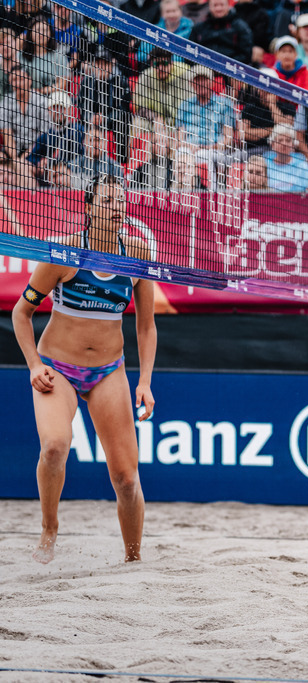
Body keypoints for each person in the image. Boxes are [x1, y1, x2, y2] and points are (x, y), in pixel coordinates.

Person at [12, 174, 156, 565]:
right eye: (107, 200)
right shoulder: (66, 252)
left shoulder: (136, 254)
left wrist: (144, 381)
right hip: (57, 366)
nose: (116, 205)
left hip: (109, 370)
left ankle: (133, 560)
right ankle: (49, 529)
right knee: (56, 446)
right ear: (90, 208)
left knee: (127, 479)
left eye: (120, 199)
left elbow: (145, 326)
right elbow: (21, 312)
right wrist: (33, 365)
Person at [77, 46, 132, 165]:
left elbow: (123, 109)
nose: (101, 67)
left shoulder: (120, 82)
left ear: (111, 65)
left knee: (122, 125)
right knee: (75, 129)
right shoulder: (87, 82)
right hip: (90, 124)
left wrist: (105, 119)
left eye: (104, 64)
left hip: (112, 124)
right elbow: (81, 106)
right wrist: (90, 118)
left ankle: (120, 164)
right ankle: (78, 164)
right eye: (98, 63)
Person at [0, 65, 48, 161]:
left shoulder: (41, 101)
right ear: (10, 82)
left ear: (29, 80)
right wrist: (16, 160)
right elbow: (7, 136)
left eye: (21, 79)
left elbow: (43, 135)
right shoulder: (5, 102)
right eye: (14, 80)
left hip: (36, 152)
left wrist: (26, 157)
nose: (18, 83)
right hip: (13, 153)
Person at [191, 0, 254, 66]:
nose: (218, 8)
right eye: (215, 5)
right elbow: (191, 51)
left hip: (232, 69)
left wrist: (225, 64)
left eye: (222, 5)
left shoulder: (240, 26)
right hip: (204, 67)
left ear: (228, 6)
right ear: (209, 7)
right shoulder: (199, 27)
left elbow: (246, 55)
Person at [19, 17, 69, 96]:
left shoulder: (59, 56)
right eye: (38, 30)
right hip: (27, 98)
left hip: (52, 98)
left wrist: (40, 91)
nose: (41, 34)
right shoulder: (21, 55)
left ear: (50, 34)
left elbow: (62, 85)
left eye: (45, 30)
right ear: (30, 32)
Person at [137, 0, 195, 67]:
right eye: (168, 11)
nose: (171, 15)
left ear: (180, 11)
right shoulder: (154, 30)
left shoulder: (190, 28)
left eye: (174, 11)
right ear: (162, 14)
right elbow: (141, 55)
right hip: (156, 68)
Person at [263, 124, 308, 192]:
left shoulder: (303, 166)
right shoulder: (264, 164)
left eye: (288, 140)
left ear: (293, 145)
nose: (284, 144)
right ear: (272, 144)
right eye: (280, 140)